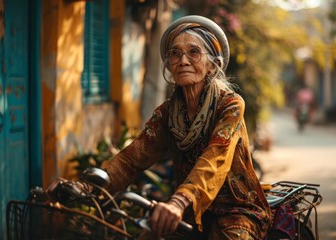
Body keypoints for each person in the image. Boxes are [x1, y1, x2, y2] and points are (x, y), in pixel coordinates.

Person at [101, 15, 271, 240]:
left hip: (236, 210)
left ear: (212, 65)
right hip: (189, 210)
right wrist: (87, 186)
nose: (183, 60)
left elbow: (215, 158)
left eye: (194, 52)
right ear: (170, 65)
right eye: (175, 53)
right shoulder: (167, 114)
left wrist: (179, 200)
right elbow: (131, 159)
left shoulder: (229, 105)